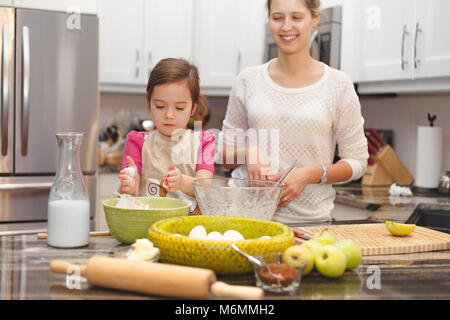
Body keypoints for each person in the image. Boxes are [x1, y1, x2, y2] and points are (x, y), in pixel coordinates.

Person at [220, 0, 368, 223]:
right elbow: (223, 153)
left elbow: (357, 163)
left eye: (297, 18)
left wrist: (308, 174)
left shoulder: (338, 85)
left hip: (309, 224)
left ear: (314, 19)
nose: (286, 27)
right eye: (277, 18)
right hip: (244, 218)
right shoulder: (247, 80)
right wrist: (247, 153)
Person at [119, 58, 215, 213]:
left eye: (179, 108)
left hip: (188, 230)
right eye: (160, 106)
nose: (169, 115)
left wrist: (182, 182)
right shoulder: (137, 142)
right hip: (148, 228)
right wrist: (130, 188)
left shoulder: (204, 142)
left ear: (192, 109)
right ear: (149, 103)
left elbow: (205, 186)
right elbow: (129, 197)